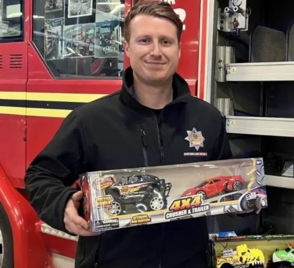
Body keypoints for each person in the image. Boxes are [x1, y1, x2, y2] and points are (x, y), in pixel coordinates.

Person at [25, 2, 252, 267]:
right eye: (145, 40)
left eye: (166, 41)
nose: (156, 51)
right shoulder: (90, 120)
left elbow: (225, 184)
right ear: (127, 47)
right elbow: (40, 176)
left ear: (178, 49)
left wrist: (245, 198)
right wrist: (62, 204)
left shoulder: (208, 119)